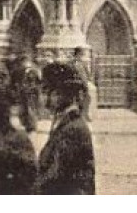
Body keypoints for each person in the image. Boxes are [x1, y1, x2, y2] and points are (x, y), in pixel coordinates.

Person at [34, 63, 95, 194]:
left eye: (47, 91)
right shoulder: (64, 122)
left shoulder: (72, 129)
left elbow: (55, 175)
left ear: (64, 93)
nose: (43, 98)